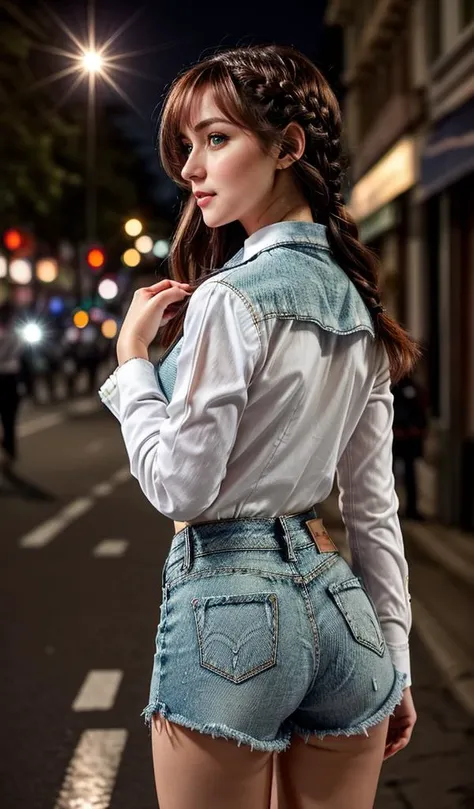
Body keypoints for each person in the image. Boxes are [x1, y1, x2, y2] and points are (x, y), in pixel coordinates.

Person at [99, 44, 419, 809]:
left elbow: (180, 484)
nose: (190, 168)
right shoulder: (363, 312)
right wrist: (395, 660)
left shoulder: (228, 298)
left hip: (228, 617)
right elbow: (374, 509)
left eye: (216, 138)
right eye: (186, 146)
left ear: (287, 147)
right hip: (345, 621)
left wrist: (132, 363)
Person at [392, 374, 428, 520]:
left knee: (410, 475)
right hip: (395, 438)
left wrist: (417, 428)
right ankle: (392, 508)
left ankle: (411, 509)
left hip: (409, 439)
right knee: (389, 475)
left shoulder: (413, 387)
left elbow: (420, 410)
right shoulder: (393, 387)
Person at [0, 302, 23, 474]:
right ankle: (10, 451)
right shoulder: (16, 333)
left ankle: (9, 450)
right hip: (10, 378)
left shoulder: (14, 334)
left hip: (8, 377)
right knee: (9, 420)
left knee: (9, 419)